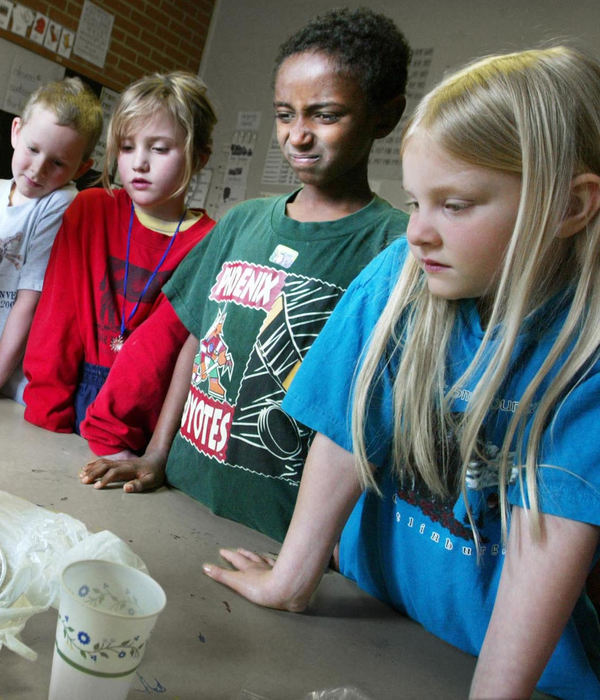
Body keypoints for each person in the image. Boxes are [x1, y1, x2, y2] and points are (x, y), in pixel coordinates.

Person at [207, 46, 600, 698]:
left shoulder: (584, 353)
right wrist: (292, 579)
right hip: (368, 607)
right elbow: (345, 433)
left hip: (513, 665)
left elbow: (548, 540)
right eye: (416, 201)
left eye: (455, 204)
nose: (418, 231)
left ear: (569, 207)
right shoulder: (401, 274)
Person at [79, 8, 410, 544]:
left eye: (325, 115)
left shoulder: (395, 248)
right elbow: (195, 339)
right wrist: (157, 455)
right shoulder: (242, 223)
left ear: (384, 116)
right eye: (285, 114)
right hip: (182, 493)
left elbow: (372, 410)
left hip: (279, 533)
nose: (297, 135)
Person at [22, 72, 217, 451]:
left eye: (159, 149)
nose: (139, 163)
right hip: (71, 391)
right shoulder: (91, 210)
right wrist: (45, 417)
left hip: (141, 419)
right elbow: (58, 319)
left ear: (199, 157)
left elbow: (159, 352)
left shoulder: (209, 242)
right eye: (127, 147)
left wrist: (114, 441)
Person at [0, 78, 102, 402]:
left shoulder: (61, 202)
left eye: (57, 163)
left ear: (82, 167)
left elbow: (30, 300)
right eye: (33, 149)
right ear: (16, 132)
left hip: (29, 386)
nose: (38, 170)